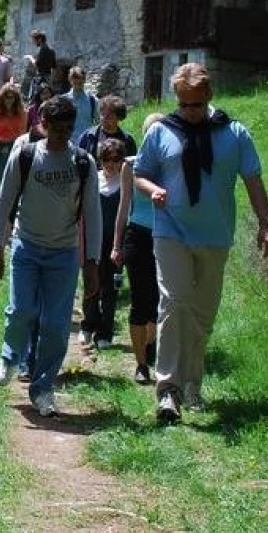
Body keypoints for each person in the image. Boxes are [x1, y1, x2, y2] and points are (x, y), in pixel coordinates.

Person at [132, 62, 268, 423]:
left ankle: (193, 384)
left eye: (196, 105)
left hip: (215, 235)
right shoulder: (162, 131)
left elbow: (253, 180)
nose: (190, 113)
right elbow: (140, 174)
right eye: (184, 105)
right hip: (171, 232)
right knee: (175, 302)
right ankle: (168, 390)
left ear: (209, 97)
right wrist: (154, 191)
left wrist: (266, 224)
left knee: (202, 315)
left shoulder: (234, 133)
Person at [0, 95, 103, 417]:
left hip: (63, 253)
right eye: (56, 129)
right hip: (26, 246)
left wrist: (91, 263)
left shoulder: (83, 163)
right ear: (43, 125)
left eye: (68, 129)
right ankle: (9, 358)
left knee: (55, 324)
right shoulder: (25, 155)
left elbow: (93, 215)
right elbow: (3, 202)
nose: (62, 135)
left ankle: (43, 388)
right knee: (22, 309)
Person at [115, 114, 165, 385]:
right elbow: (123, 208)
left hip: (166, 237)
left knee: (160, 300)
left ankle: (154, 350)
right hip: (138, 236)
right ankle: (141, 364)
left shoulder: (171, 167)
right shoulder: (130, 166)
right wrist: (116, 245)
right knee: (139, 299)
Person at [82, 137, 128, 354]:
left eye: (116, 159)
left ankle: (105, 331)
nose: (111, 164)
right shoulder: (93, 180)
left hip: (115, 242)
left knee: (110, 288)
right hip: (92, 239)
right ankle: (88, 323)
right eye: (107, 159)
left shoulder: (127, 182)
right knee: (91, 283)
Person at [0, 83, 27, 194]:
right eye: (6, 97)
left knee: (15, 180)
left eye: (12, 97)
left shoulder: (23, 113)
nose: (9, 100)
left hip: (16, 147)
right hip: (1, 148)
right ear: (2, 98)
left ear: (16, 98)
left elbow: (23, 133)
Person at [79, 94, 136, 160]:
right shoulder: (88, 136)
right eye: (102, 114)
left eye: (108, 116)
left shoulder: (128, 140)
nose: (104, 118)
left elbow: (132, 164)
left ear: (118, 117)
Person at [63, 66, 99, 146]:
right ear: (70, 80)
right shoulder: (64, 100)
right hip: (68, 143)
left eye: (80, 82)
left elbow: (98, 123)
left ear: (84, 80)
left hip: (87, 142)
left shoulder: (92, 100)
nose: (77, 85)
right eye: (75, 82)